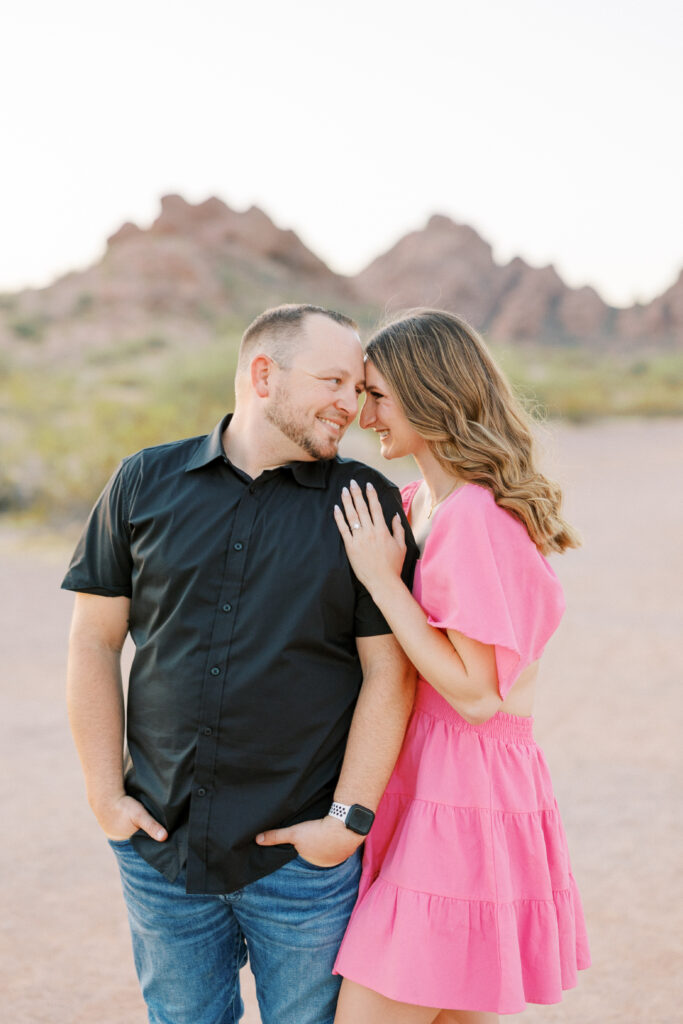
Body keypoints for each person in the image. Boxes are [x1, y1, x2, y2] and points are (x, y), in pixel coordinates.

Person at [62, 303, 418, 1024]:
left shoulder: (365, 500)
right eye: (334, 381)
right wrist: (106, 797)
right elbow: (93, 641)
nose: (351, 405)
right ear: (263, 374)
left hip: (301, 865)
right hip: (162, 854)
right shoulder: (143, 481)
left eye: (358, 388)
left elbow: (392, 672)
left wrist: (346, 822)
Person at [331, 309, 591, 1023]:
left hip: (466, 792)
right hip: (434, 782)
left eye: (377, 395)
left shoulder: (473, 515)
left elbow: (476, 695)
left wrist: (383, 580)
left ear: (427, 395)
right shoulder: (419, 504)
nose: (364, 413)